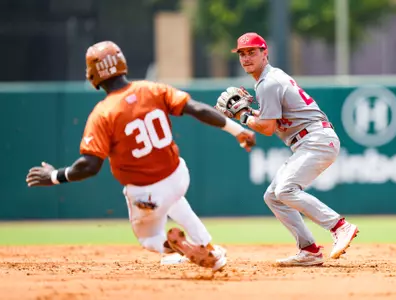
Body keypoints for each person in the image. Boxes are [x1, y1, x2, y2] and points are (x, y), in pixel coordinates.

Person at [25, 41, 256, 272]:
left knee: (149, 238)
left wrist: (55, 176)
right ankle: (209, 248)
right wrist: (238, 130)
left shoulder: (103, 113)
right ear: (121, 64)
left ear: (94, 75)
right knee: (174, 200)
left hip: (146, 193)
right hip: (178, 176)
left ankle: (182, 247)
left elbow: (90, 166)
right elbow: (197, 109)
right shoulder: (152, 89)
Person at [215, 32, 358, 266]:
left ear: (265, 53)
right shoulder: (269, 78)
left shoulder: (268, 82)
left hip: (316, 140)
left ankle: (339, 226)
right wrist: (250, 114)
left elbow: (268, 128)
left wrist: (243, 115)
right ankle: (309, 250)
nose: (246, 58)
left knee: (285, 190)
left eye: (252, 52)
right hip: (310, 140)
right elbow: (273, 118)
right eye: (242, 53)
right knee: (273, 196)